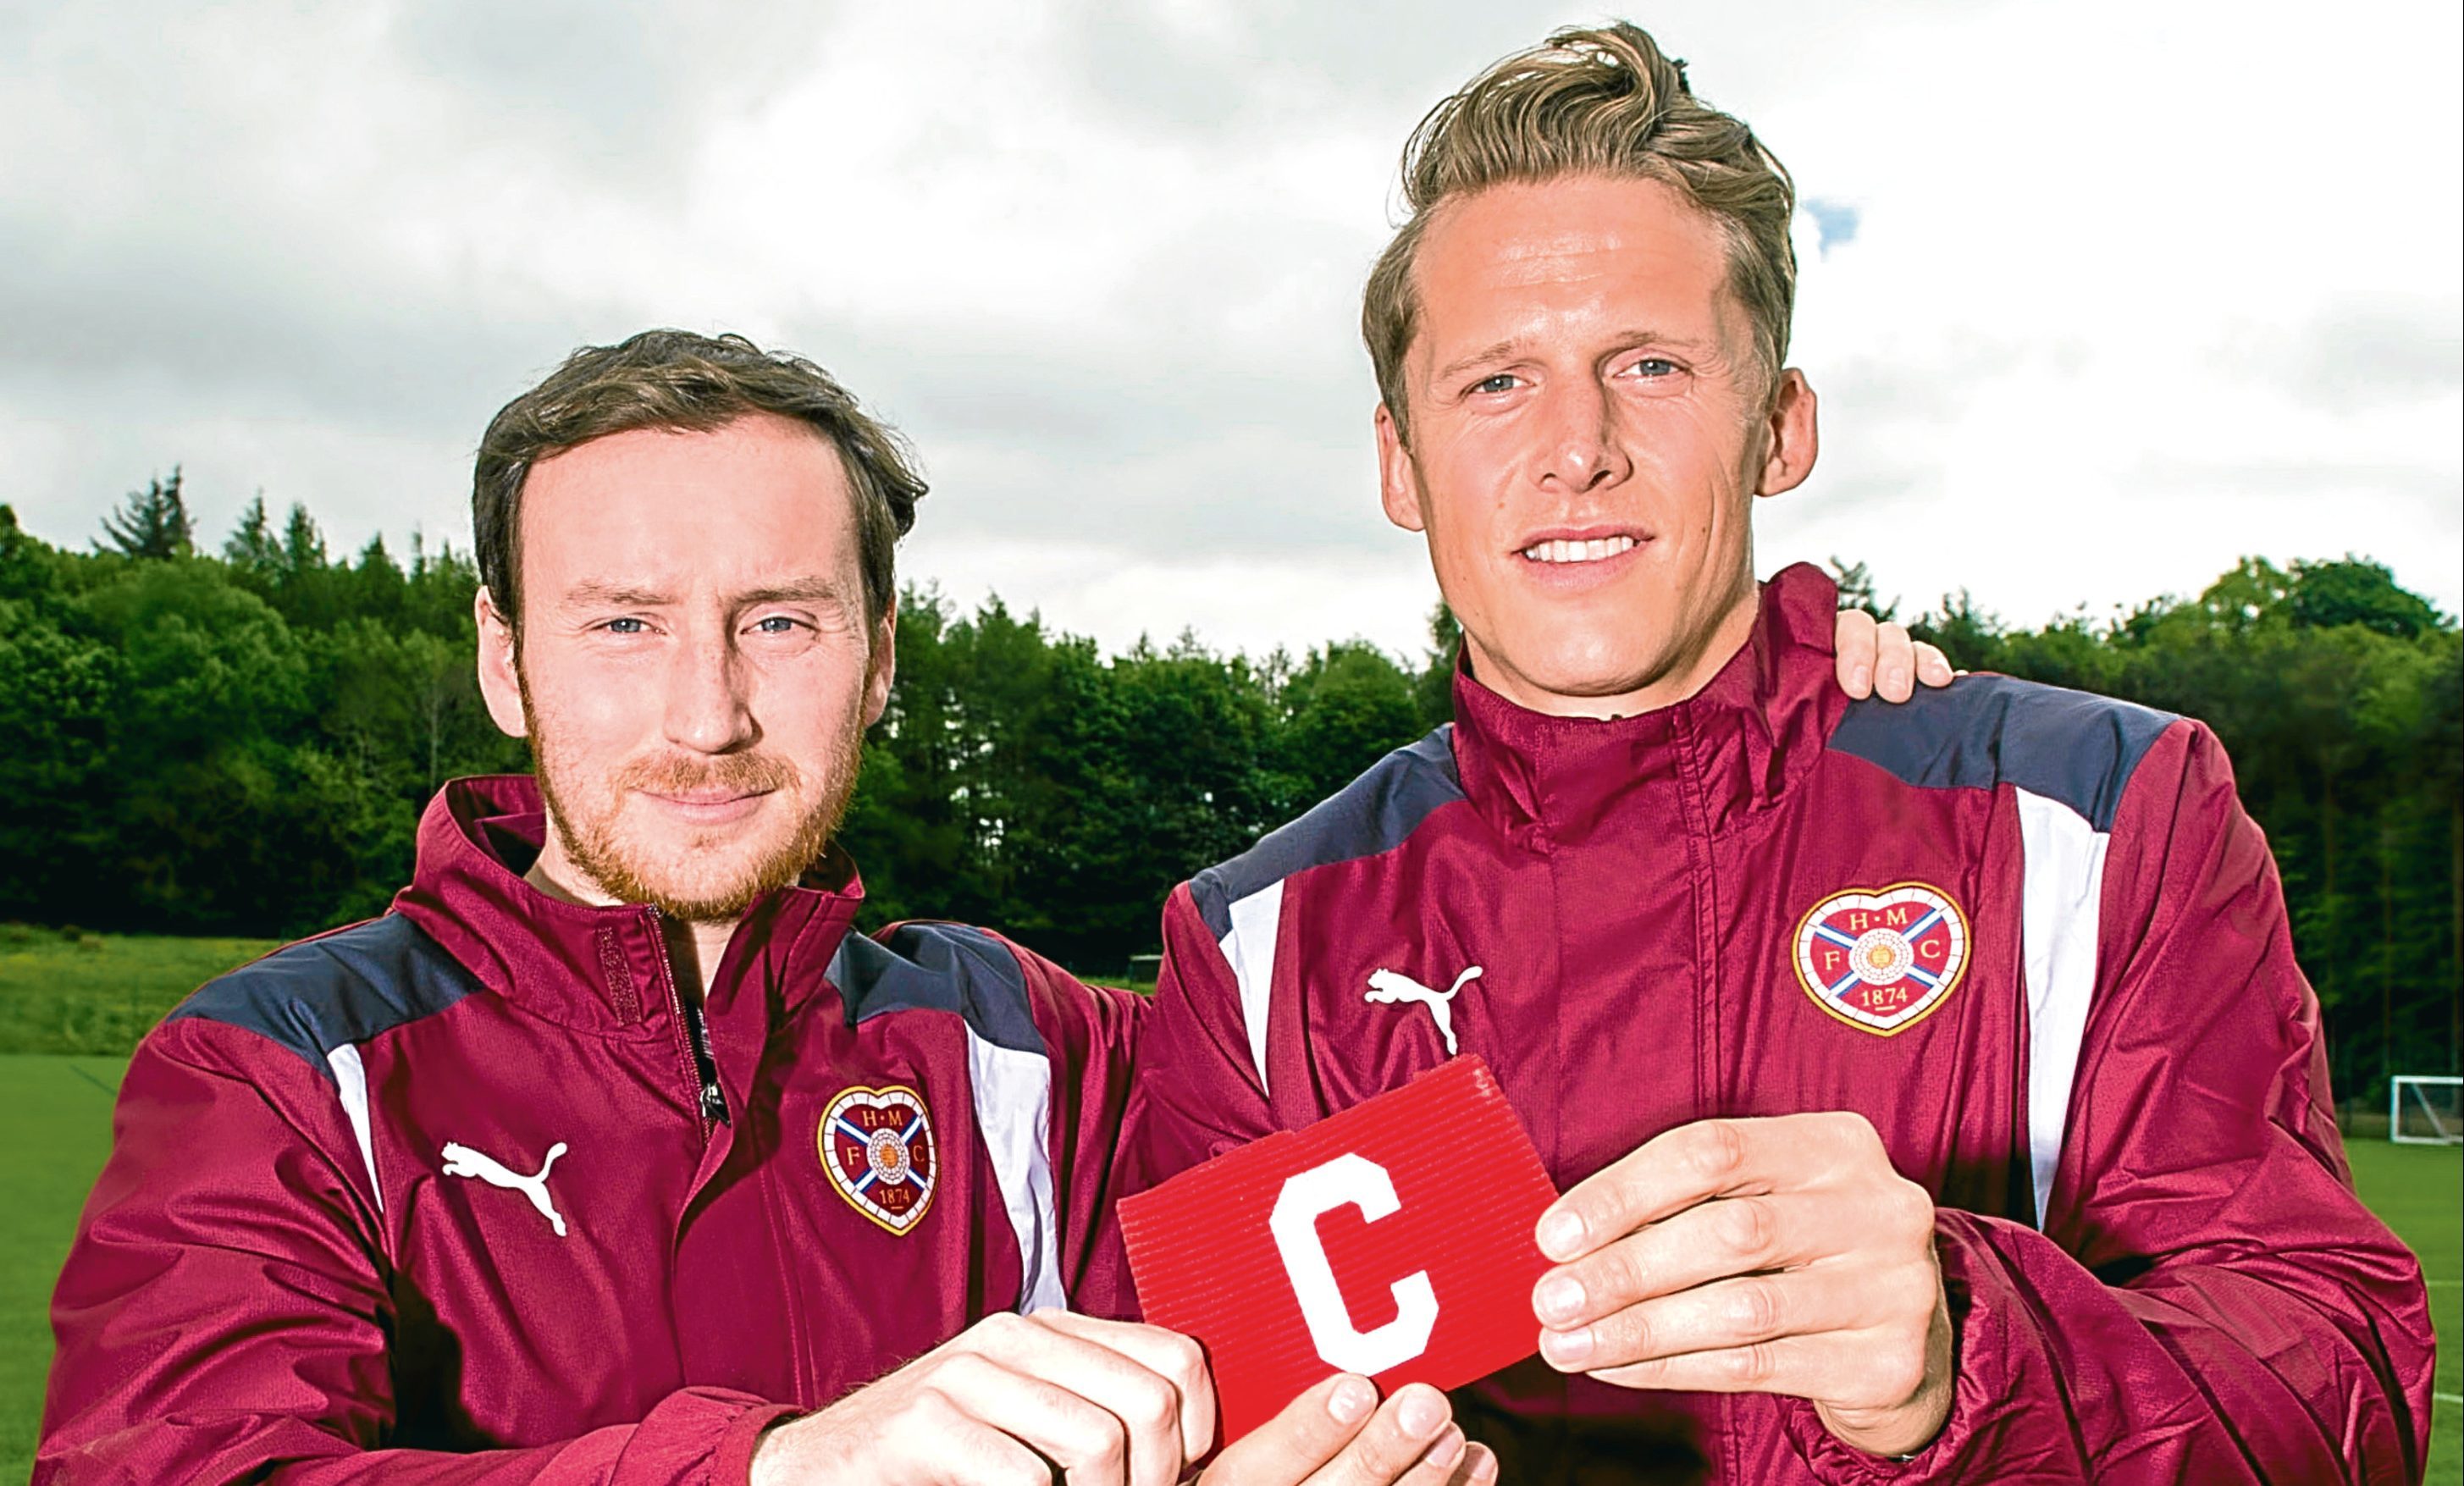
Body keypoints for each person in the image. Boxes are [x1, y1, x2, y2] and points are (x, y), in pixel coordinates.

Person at [1123, 22, 2434, 1484]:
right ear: (1396, 461)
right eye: (1496, 382)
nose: (1577, 447)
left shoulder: (2100, 817)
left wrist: (1963, 1350)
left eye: (1652, 365)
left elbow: (2342, 1387)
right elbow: (1206, 1417)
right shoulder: (1252, 944)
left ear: (1778, 427)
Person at [36, 331, 1507, 1486]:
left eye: (780, 623)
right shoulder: (280, 1073)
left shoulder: (1031, 1050)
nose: (707, 713)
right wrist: (771, 1469)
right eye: (624, 622)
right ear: (504, 659)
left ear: (876, 661)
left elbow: (1492, 1164)